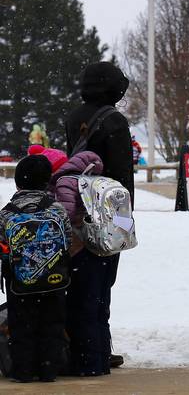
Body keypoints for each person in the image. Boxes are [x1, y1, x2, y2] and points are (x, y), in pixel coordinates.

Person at [65, 61, 134, 371]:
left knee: (81, 281)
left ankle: (81, 345)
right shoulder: (114, 121)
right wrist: (125, 221)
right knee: (103, 281)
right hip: (106, 213)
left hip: (75, 208)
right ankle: (97, 349)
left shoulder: (73, 117)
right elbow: (122, 179)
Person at [0, 155, 71, 382]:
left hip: (19, 282)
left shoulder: (7, 213)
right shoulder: (57, 210)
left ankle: (23, 370)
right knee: (51, 324)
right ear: (46, 181)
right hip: (54, 279)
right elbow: (67, 239)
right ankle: (48, 369)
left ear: (18, 182)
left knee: (21, 326)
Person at [50, 150, 115, 376]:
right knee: (99, 309)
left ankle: (87, 365)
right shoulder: (100, 181)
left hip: (82, 252)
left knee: (81, 309)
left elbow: (64, 216)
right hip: (106, 250)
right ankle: (102, 361)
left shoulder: (66, 182)